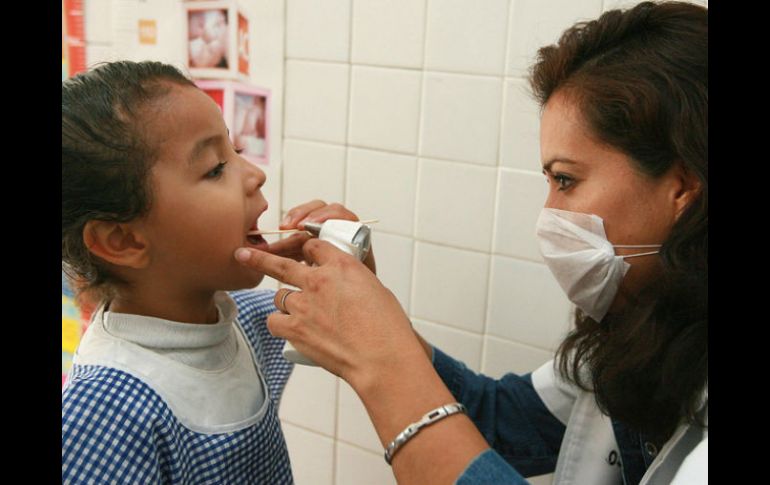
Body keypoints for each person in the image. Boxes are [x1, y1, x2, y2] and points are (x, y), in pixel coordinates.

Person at [234, 2, 707, 484]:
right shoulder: (649, 327)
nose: (550, 216)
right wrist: (376, 324)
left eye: (566, 180)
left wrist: (381, 357)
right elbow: (504, 421)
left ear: (683, 188)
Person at [61, 61, 372, 483]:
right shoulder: (102, 413)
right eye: (215, 168)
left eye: (235, 151)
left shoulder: (249, 322)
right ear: (123, 241)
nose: (256, 175)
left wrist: (346, 268)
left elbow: (354, 328)